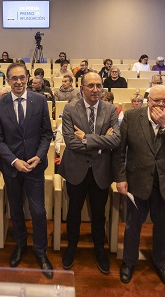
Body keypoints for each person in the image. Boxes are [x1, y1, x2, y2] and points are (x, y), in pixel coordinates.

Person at [113, 85, 165, 287]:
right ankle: (129, 262)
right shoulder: (132, 117)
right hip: (137, 182)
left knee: (163, 228)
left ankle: (161, 264)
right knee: (133, 226)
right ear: (148, 100)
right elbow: (120, 151)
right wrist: (120, 178)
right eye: (156, 100)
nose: (160, 105)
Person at [0, 63, 54, 278]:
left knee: (38, 211)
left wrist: (40, 155)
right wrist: (14, 161)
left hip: (35, 166)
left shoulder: (40, 100)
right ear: (8, 80)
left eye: (21, 77)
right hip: (12, 168)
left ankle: (40, 251)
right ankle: (20, 245)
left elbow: (47, 133)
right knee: (16, 209)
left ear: (27, 78)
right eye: (14, 78)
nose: (18, 82)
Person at [59, 72, 120, 274]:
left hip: (100, 171)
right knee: (73, 212)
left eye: (98, 85)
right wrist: (101, 144)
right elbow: (71, 142)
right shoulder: (70, 108)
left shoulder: (110, 109)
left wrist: (86, 138)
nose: (95, 90)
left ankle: (99, 250)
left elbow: (116, 140)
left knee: (99, 214)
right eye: (91, 86)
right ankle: (71, 247)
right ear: (82, 88)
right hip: (76, 169)